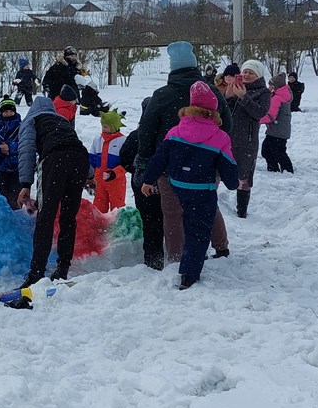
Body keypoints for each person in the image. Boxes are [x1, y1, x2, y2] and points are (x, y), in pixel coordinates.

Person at [134, 42, 229, 268]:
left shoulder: (161, 95)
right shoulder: (213, 93)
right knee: (208, 205)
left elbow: (146, 131)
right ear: (195, 66)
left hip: (170, 167)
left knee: (173, 212)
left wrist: (145, 161)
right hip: (208, 165)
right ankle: (221, 246)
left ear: (172, 68)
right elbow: (228, 126)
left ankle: (177, 258)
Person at [140, 81, 239, 289]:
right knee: (199, 231)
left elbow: (159, 158)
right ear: (213, 111)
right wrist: (233, 183)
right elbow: (228, 166)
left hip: (178, 185)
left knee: (184, 218)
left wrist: (148, 180)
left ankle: (182, 256)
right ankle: (188, 273)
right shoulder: (220, 137)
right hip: (202, 190)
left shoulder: (175, 131)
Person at [15, 94, 91, 287]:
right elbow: (75, 145)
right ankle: (62, 268)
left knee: (46, 217)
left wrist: (25, 183)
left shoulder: (32, 120)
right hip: (79, 160)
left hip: (55, 159)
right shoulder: (62, 120)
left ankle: (36, 273)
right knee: (68, 217)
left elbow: (27, 150)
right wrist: (90, 175)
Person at [225, 59, 273, 218]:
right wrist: (229, 96)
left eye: (250, 72)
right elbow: (226, 112)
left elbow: (260, 113)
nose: (246, 74)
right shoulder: (238, 87)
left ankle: (242, 210)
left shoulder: (264, 92)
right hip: (228, 138)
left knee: (244, 178)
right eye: (244, 71)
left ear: (258, 75)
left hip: (247, 141)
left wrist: (244, 97)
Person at [118, 123, 165, 269]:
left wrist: (135, 170)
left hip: (141, 183)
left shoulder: (136, 135)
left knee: (150, 222)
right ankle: (170, 253)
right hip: (164, 183)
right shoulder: (166, 133)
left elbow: (124, 157)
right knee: (167, 219)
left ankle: (153, 258)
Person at [88, 108, 128, 213]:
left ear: (114, 127)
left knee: (117, 207)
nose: (103, 129)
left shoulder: (123, 141)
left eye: (106, 127)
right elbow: (92, 159)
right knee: (99, 206)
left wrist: (115, 173)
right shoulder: (98, 139)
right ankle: (99, 227)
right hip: (99, 180)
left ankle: (118, 226)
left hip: (116, 181)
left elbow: (127, 163)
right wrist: (89, 174)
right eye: (102, 126)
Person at [0, 97, 22, 208]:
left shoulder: (21, 127)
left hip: (17, 165)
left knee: (17, 191)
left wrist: (10, 148)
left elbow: (25, 144)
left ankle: (17, 210)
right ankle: (6, 211)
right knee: (4, 190)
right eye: (6, 111)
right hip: (1, 165)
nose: (8, 114)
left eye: (11, 111)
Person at [260, 72, 295, 173]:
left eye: (270, 85)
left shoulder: (277, 98)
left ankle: (287, 171)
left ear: (275, 87)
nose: (269, 87)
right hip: (277, 130)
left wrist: (257, 120)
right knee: (268, 150)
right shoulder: (282, 96)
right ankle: (273, 168)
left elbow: (270, 116)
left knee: (277, 152)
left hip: (277, 131)